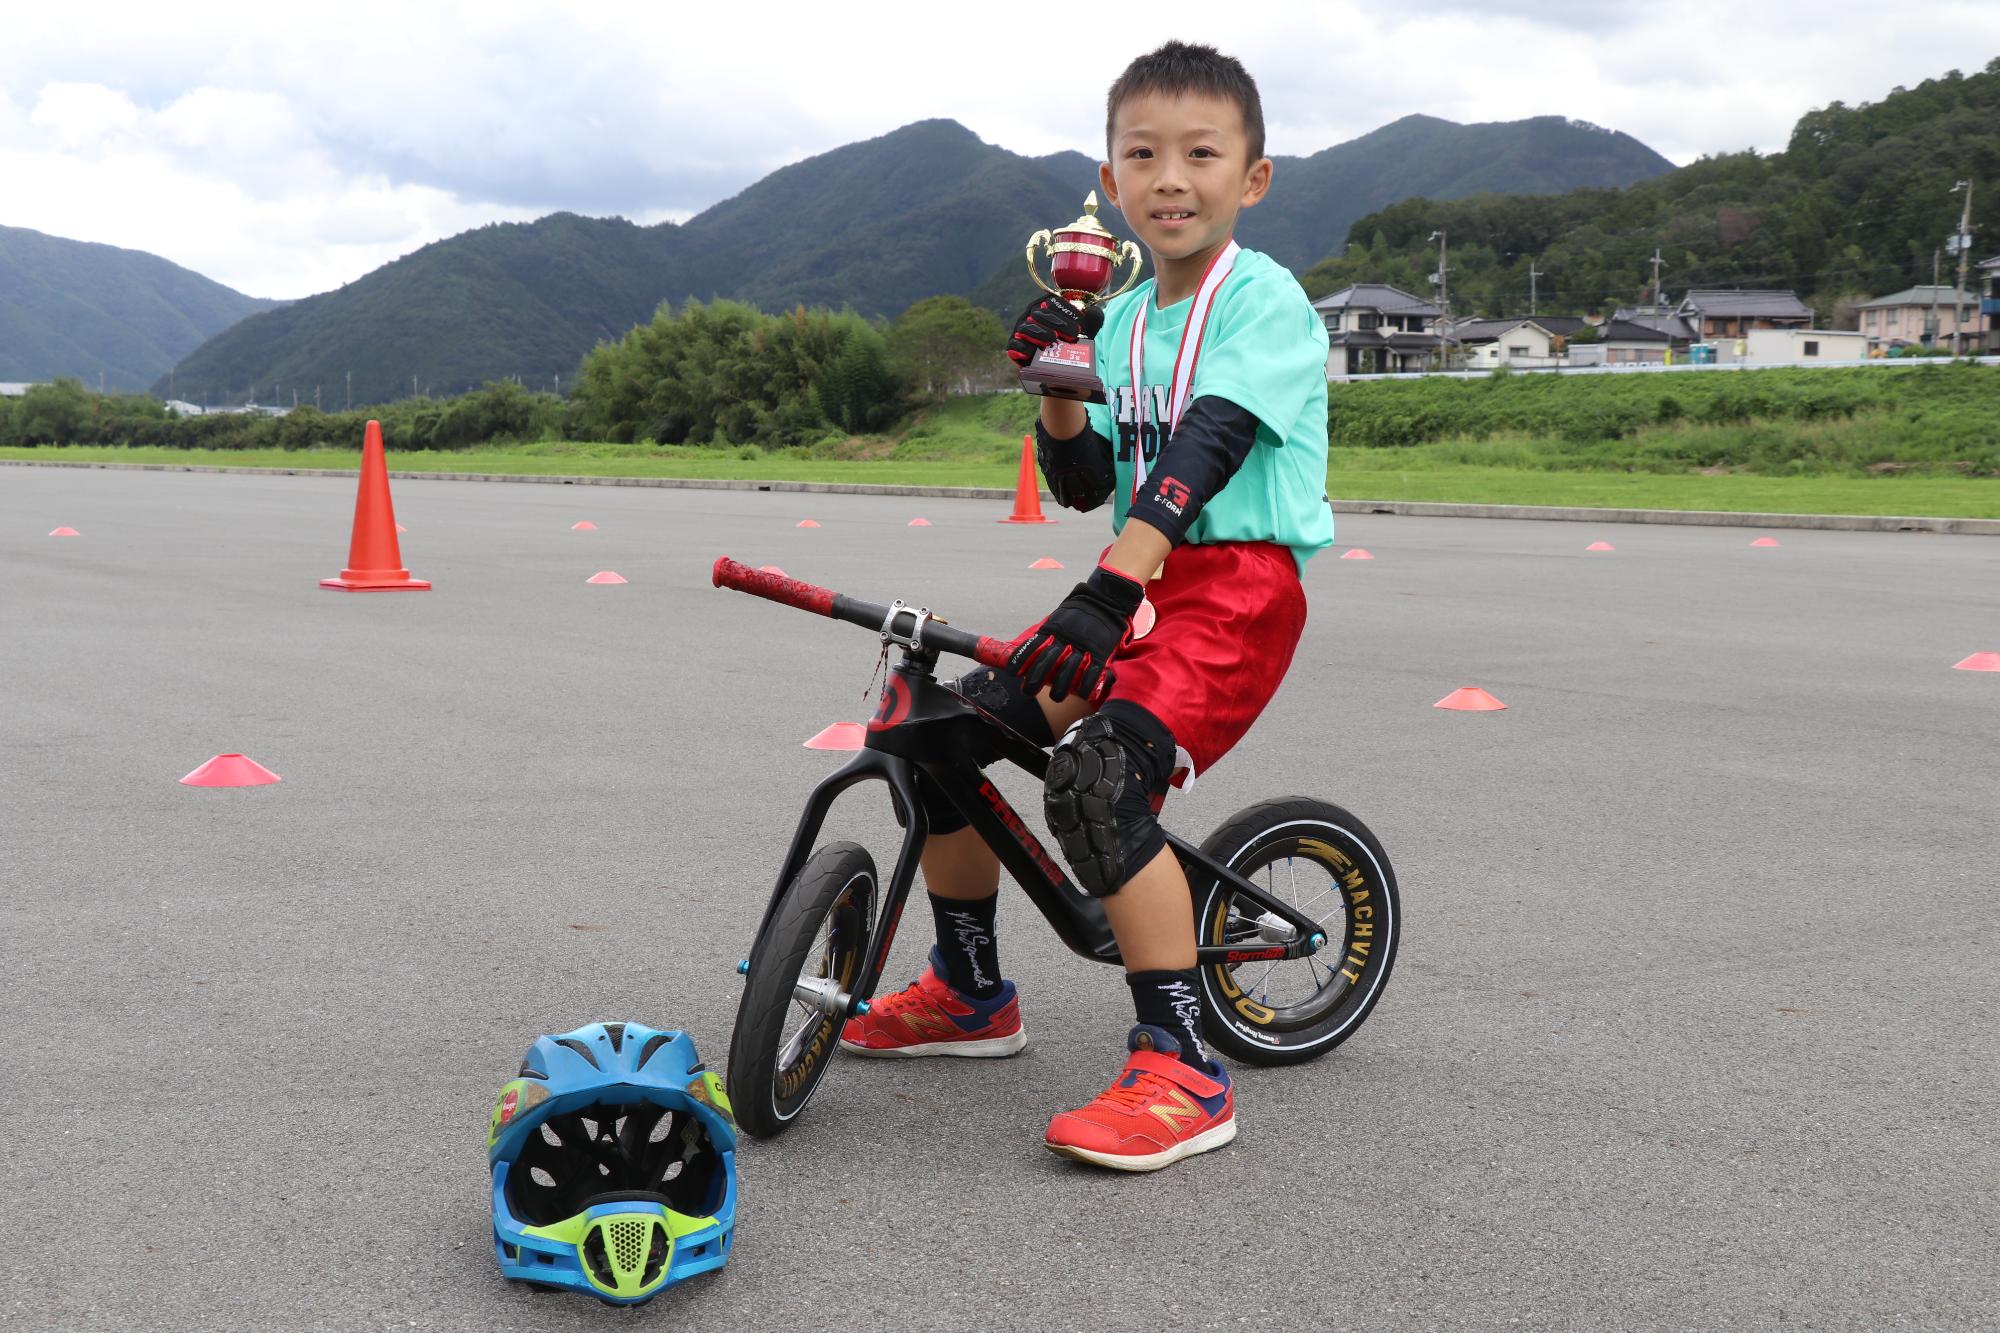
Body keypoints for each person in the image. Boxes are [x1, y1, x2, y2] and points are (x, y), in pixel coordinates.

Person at [840, 39, 1334, 1172]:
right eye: (1142, 155)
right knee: (941, 737)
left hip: (1232, 590)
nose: (1170, 177)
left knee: (1101, 778)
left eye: (1200, 154)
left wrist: (1116, 583)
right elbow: (1078, 484)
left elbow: (1208, 444)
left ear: (1250, 178)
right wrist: (1060, 389)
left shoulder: (1261, 299)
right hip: (1137, 575)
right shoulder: (1116, 321)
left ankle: (1181, 1066)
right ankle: (969, 992)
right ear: (1108, 185)